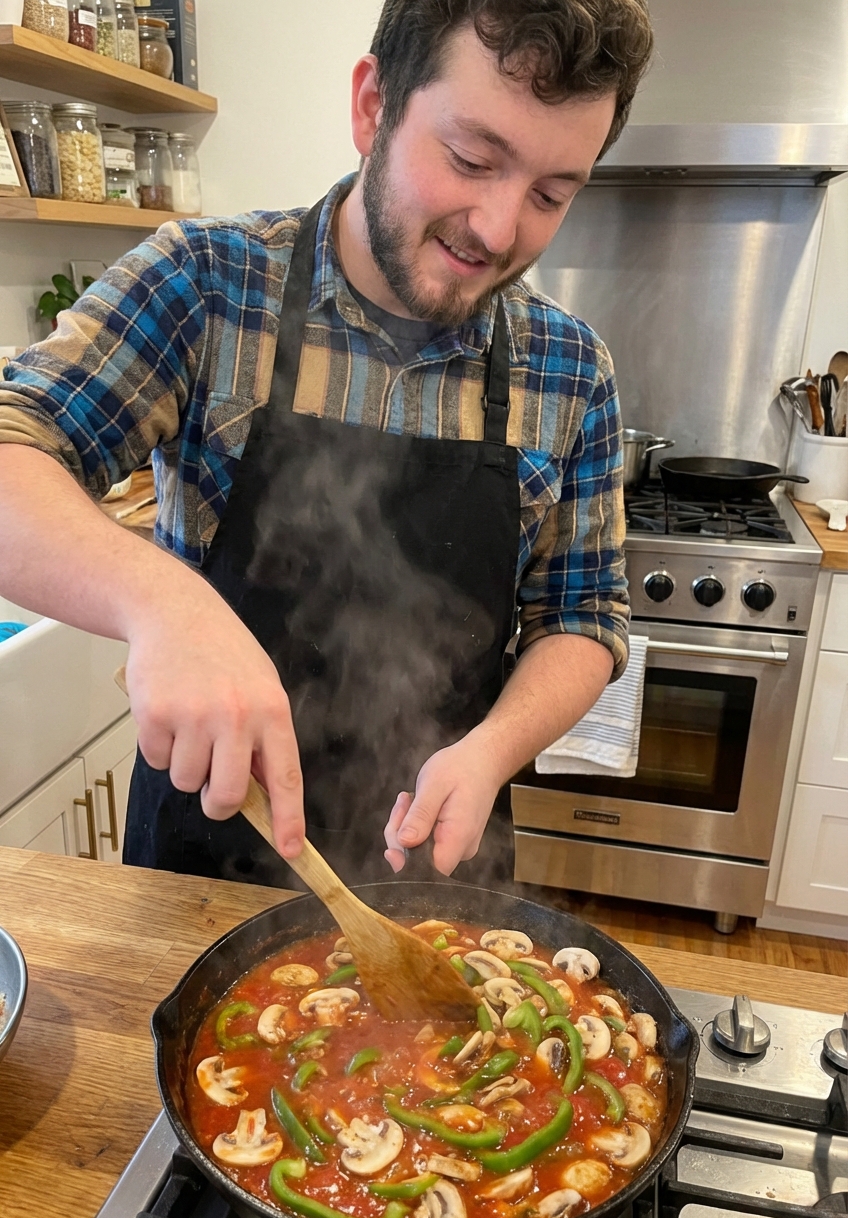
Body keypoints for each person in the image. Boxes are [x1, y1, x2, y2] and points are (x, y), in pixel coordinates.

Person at [0, 0, 652, 887]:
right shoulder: (207, 285)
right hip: (200, 874)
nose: (499, 231)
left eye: (549, 195)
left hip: (436, 872)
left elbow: (583, 618)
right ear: (372, 105)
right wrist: (160, 603)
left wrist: (494, 749)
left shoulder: (572, 370)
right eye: (470, 159)